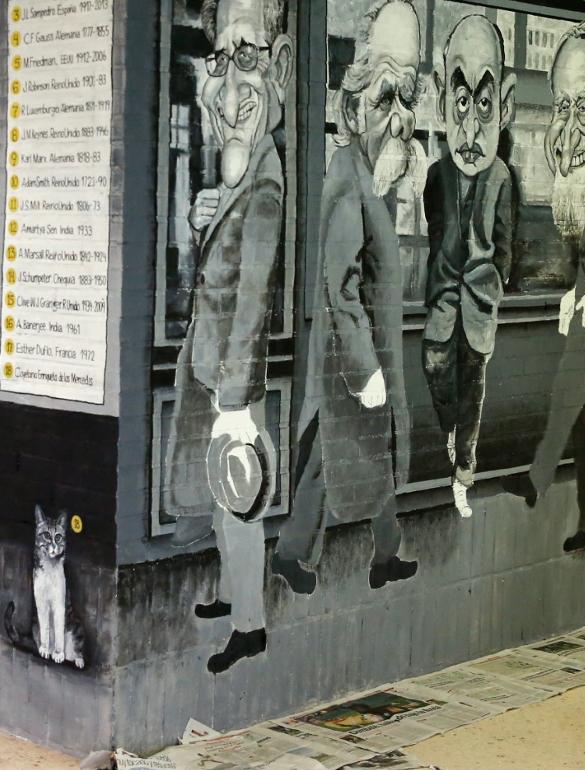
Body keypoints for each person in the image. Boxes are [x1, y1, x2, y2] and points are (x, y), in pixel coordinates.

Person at [272, 0, 421, 596]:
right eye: (383, 101)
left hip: (364, 355)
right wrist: (365, 369)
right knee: (331, 455)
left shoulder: (370, 176)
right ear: (353, 106)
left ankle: (383, 552)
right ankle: (295, 552)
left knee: (359, 452)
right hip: (350, 360)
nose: (397, 118)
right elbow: (340, 283)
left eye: (405, 100)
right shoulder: (346, 174)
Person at [162, 0, 293, 675]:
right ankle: (226, 593)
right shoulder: (238, 179)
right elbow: (216, 270)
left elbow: (253, 300)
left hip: (235, 378)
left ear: (280, 73)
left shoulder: (265, 189)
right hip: (214, 366)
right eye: (219, 61)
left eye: (250, 60)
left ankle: (250, 625)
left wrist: (238, 399)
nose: (231, 87)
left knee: (240, 501)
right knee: (223, 494)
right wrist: (198, 219)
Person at [503, 22, 585, 554]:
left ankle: (535, 481)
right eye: (562, 106)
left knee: (562, 398)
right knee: (583, 427)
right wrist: (571, 295)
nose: (571, 128)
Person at [422, 14, 516, 519]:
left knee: (473, 387)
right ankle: (451, 432)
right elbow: (435, 227)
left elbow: (506, 244)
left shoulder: (502, 176)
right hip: (442, 300)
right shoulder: (437, 175)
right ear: (443, 101)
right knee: (436, 368)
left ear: (503, 107)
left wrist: (493, 280)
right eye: (462, 102)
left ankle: (464, 471)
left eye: (484, 103)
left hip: (480, 305)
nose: (471, 125)